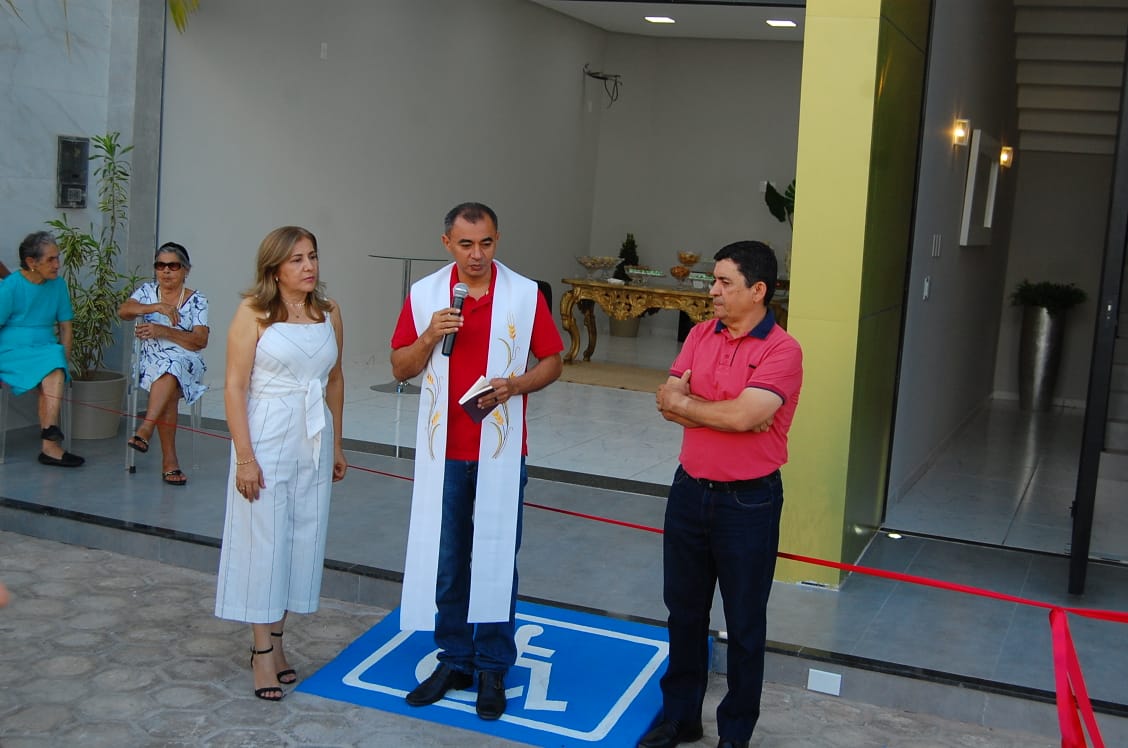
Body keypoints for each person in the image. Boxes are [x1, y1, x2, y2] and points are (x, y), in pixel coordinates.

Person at [391, 202, 563, 720]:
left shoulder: (524, 294)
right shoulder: (426, 294)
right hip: (443, 450)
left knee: (495, 556)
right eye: (465, 244)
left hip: (501, 450)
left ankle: (492, 665)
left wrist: (517, 384)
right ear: (447, 243)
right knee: (448, 561)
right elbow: (400, 366)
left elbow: (553, 361)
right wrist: (429, 336)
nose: (476, 254)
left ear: (497, 240)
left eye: (486, 242)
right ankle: (455, 658)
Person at [640, 241, 802, 748]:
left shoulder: (782, 350)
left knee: (745, 623)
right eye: (714, 280)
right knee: (684, 613)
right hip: (689, 492)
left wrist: (698, 405)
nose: (712, 290)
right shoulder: (699, 334)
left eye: (724, 282)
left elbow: (739, 414)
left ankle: (735, 734)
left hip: (748, 504)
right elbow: (667, 401)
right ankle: (680, 718)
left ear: (758, 291)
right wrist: (726, 412)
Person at [214, 226, 347, 701]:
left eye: (312, 256)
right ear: (274, 268)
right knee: (264, 542)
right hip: (266, 432)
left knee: (300, 538)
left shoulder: (329, 312)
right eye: (296, 259)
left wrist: (336, 444)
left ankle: (278, 639)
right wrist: (245, 458)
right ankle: (262, 652)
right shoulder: (253, 312)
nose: (308, 266)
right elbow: (234, 386)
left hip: (313, 438)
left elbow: (335, 380)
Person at [118, 242, 209, 485]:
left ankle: (146, 430)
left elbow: (200, 341)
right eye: (160, 265)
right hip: (149, 360)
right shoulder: (147, 291)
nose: (166, 271)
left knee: (173, 366)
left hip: (187, 360)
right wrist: (156, 307)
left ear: (186, 270)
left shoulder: (197, 300)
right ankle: (169, 461)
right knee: (168, 372)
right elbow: (124, 311)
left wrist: (164, 331)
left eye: (173, 266)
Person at [0, 232, 84, 467]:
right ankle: (50, 440)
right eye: (51, 259)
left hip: (45, 348)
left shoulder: (58, 285)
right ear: (31, 262)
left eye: (58, 258)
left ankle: (50, 440)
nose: (57, 265)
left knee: (55, 365)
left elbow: (66, 326)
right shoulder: (11, 286)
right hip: (12, 350)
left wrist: (65, 360)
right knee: (52, 362)